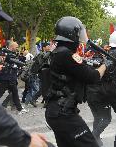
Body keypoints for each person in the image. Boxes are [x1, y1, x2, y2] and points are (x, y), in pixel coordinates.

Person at [0, 0, 48, 147]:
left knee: (9, 93)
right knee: (0, 93)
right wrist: (26, 140)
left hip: (10, 78)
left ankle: (17, 107)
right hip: (6, 78)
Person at [45, 16, 108, 147]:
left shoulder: (58, 52)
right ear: (71, 34)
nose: (80, 37)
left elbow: (77, 70)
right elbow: (93, 77)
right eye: (79, 33)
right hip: (63, 114)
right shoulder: (67, 55)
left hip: (57, 111)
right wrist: (106, 65)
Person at [0, 41, 28, 114]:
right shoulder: (3, 53)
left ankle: (19, 109)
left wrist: (20, 65)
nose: (17, 48)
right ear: (11, 47)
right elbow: (3, 61)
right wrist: (19, 63)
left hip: (12, 78)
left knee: (15, 93)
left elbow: (15, 63)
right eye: (16, 47)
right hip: (4, 78)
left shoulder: (13, 54)